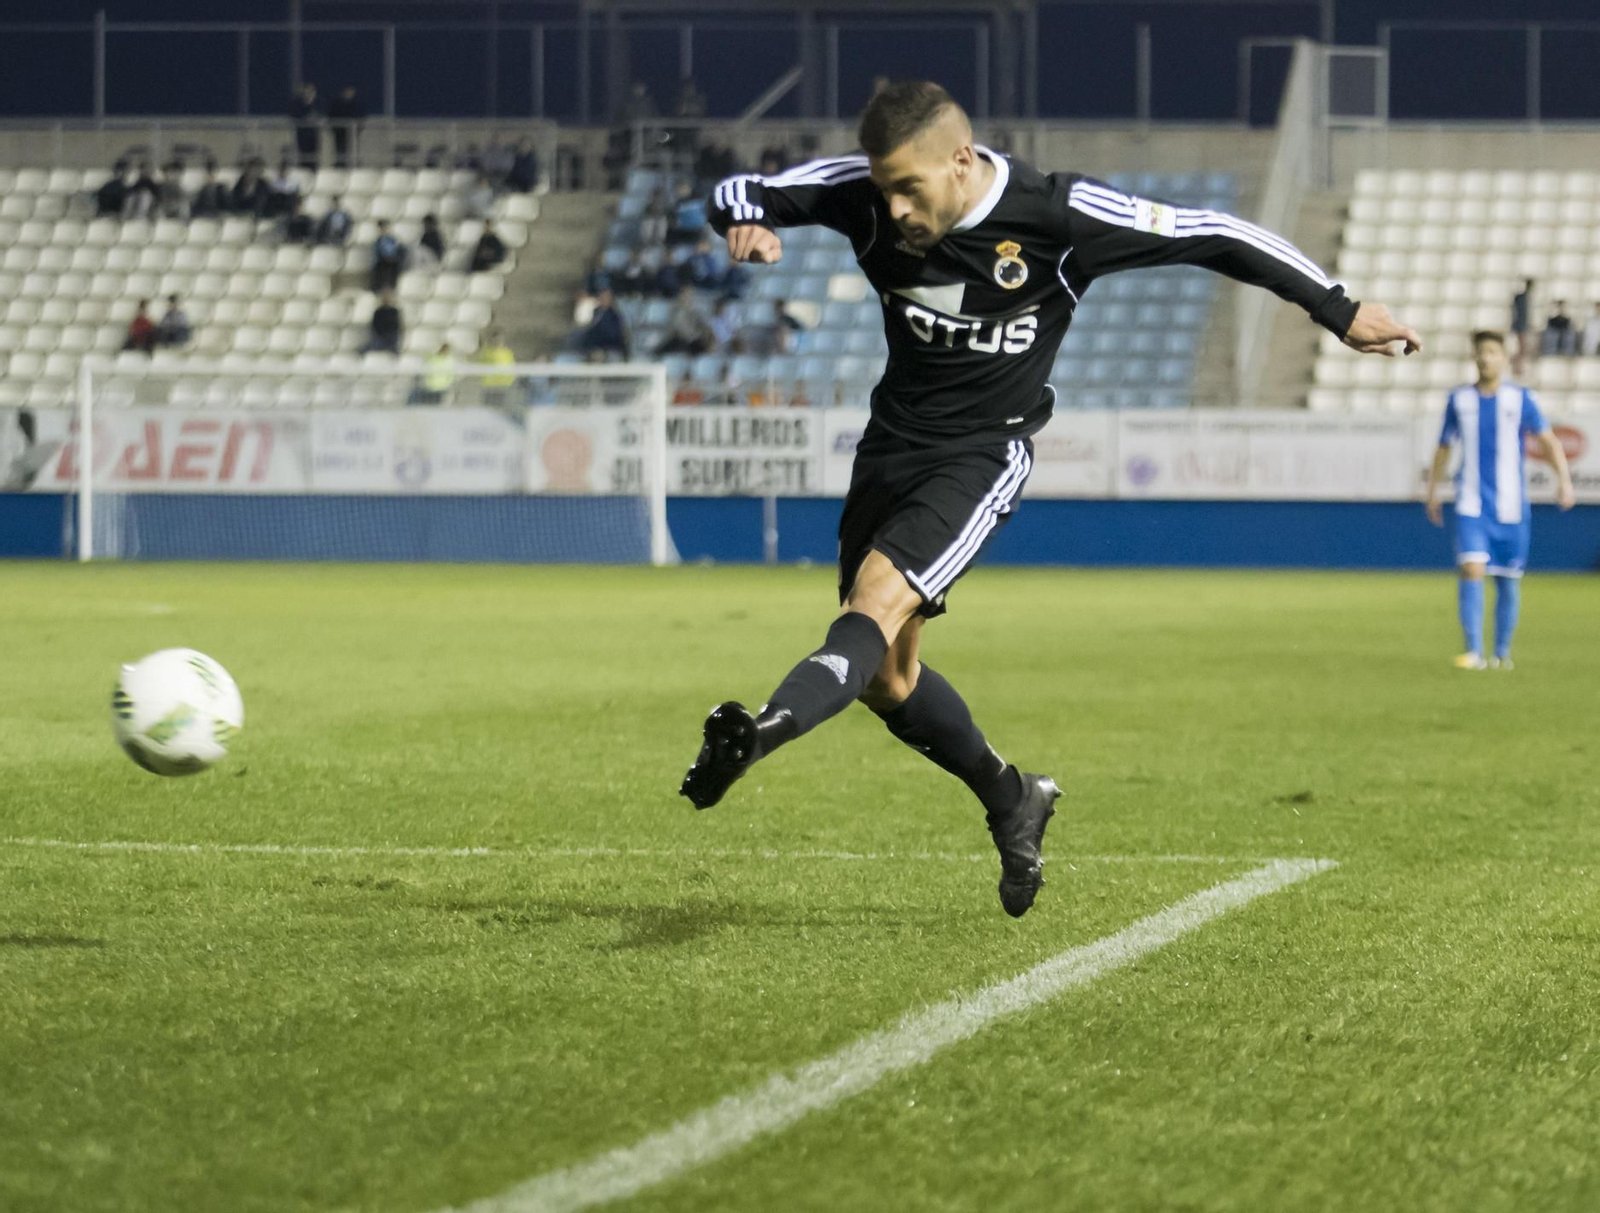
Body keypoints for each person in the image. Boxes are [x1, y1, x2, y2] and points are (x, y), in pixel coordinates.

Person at [680, 80, 1421, 917]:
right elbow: (742, 188)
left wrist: (1340, 308)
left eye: (908, 189)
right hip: (889, 450)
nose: (891, 207)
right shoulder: (867, 192)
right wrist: (744, 221)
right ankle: (1013, 796)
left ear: (961, 162)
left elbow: (1213, 232)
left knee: (872, 603)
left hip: (981, 453)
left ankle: (763, 732)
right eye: (882, 189)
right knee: (888, 679)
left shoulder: (1057, 216)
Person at [1425, 330, 1576, 671]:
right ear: (1474, 357)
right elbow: (1444, 446)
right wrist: (1433, 490)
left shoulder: (1520, 399)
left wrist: (1563, 480)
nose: (1486, 358)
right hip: (1471, 503)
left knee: (1508, 580)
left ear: (1504, 358)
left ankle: (1502, 654)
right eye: (1481, 352)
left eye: (1492, 352)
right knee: (1471, 568)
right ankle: (1474, 652)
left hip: (1511, 506)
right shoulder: (1459, 400)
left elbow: (1549, 441)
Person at [654, 285, 715, 355]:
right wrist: (693, 335)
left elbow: (702, 325)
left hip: (692, 339)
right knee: (677, 341)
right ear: (680, 295)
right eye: (685, 295)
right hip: (680, 338)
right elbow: (678, 327)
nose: (688, 297)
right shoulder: (676, 309)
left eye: (690, 295)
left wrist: (705, 333)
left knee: (707, 338)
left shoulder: (695, 311)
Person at [578, 287, 629, 361]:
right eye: (601, 297)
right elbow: (590, 328)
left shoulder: (614, 314)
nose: (603, 299)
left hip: (610, 346)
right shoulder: (596, 312)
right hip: (595, 345)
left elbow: (614, 333)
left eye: (606, 297)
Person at [328, 84, 364, 167]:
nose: (349, 93)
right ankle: (340, 163)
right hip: (340, 132)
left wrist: (358, 127)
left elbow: (361, 116)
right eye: (347, 91)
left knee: (353, 147)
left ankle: (353, 163)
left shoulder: (357, 103)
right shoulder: (337, 104)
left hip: (353, 131)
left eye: (350, 91)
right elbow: (332, 116)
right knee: (340, 148)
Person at [479, 330, 516, 406]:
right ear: (492, 340)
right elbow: (481, 367)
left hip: (504, 386)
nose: (498, 341)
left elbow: (512, 367)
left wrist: (511, 381)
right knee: (489, 409)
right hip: (490, 387)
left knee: (503, 409)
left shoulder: (508, 352)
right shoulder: (486, 352)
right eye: (496, 339)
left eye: (500, 339)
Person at [370, 220, 407, 293]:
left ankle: (392, 287)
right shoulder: (378, 241)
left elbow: (397, 251)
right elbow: (377, 254)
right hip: (381, 263)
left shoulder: (393, 240)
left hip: (392, 263)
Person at [668, 179, 707, 245]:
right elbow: (672, 220)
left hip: (698, 230)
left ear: (689, 188)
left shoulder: (698, 199)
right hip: (683, 231)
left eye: (684, 188)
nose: (683, 191)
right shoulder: (677, 204)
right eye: (680, 189)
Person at [290, 83, 319, 169]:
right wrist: (306, 117)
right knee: (303, 154)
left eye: (311, 91)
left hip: (313, 134)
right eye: (307, 91)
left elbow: (321, 114)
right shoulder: (298, 102)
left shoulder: (317, 103)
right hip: (302, 133)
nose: (309, 93)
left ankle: (313, 169)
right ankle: (303, 169)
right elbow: (294, 114)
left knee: (313, 154)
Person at [1510, 278, 1534, 376]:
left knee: (1523, 349)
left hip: (1524, 326)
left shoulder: (1526, 297)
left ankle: (1519, 369)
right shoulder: (1521, 297)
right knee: (1521, 348)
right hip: (1521, 326)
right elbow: (1516, 313)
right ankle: (1517, 369)